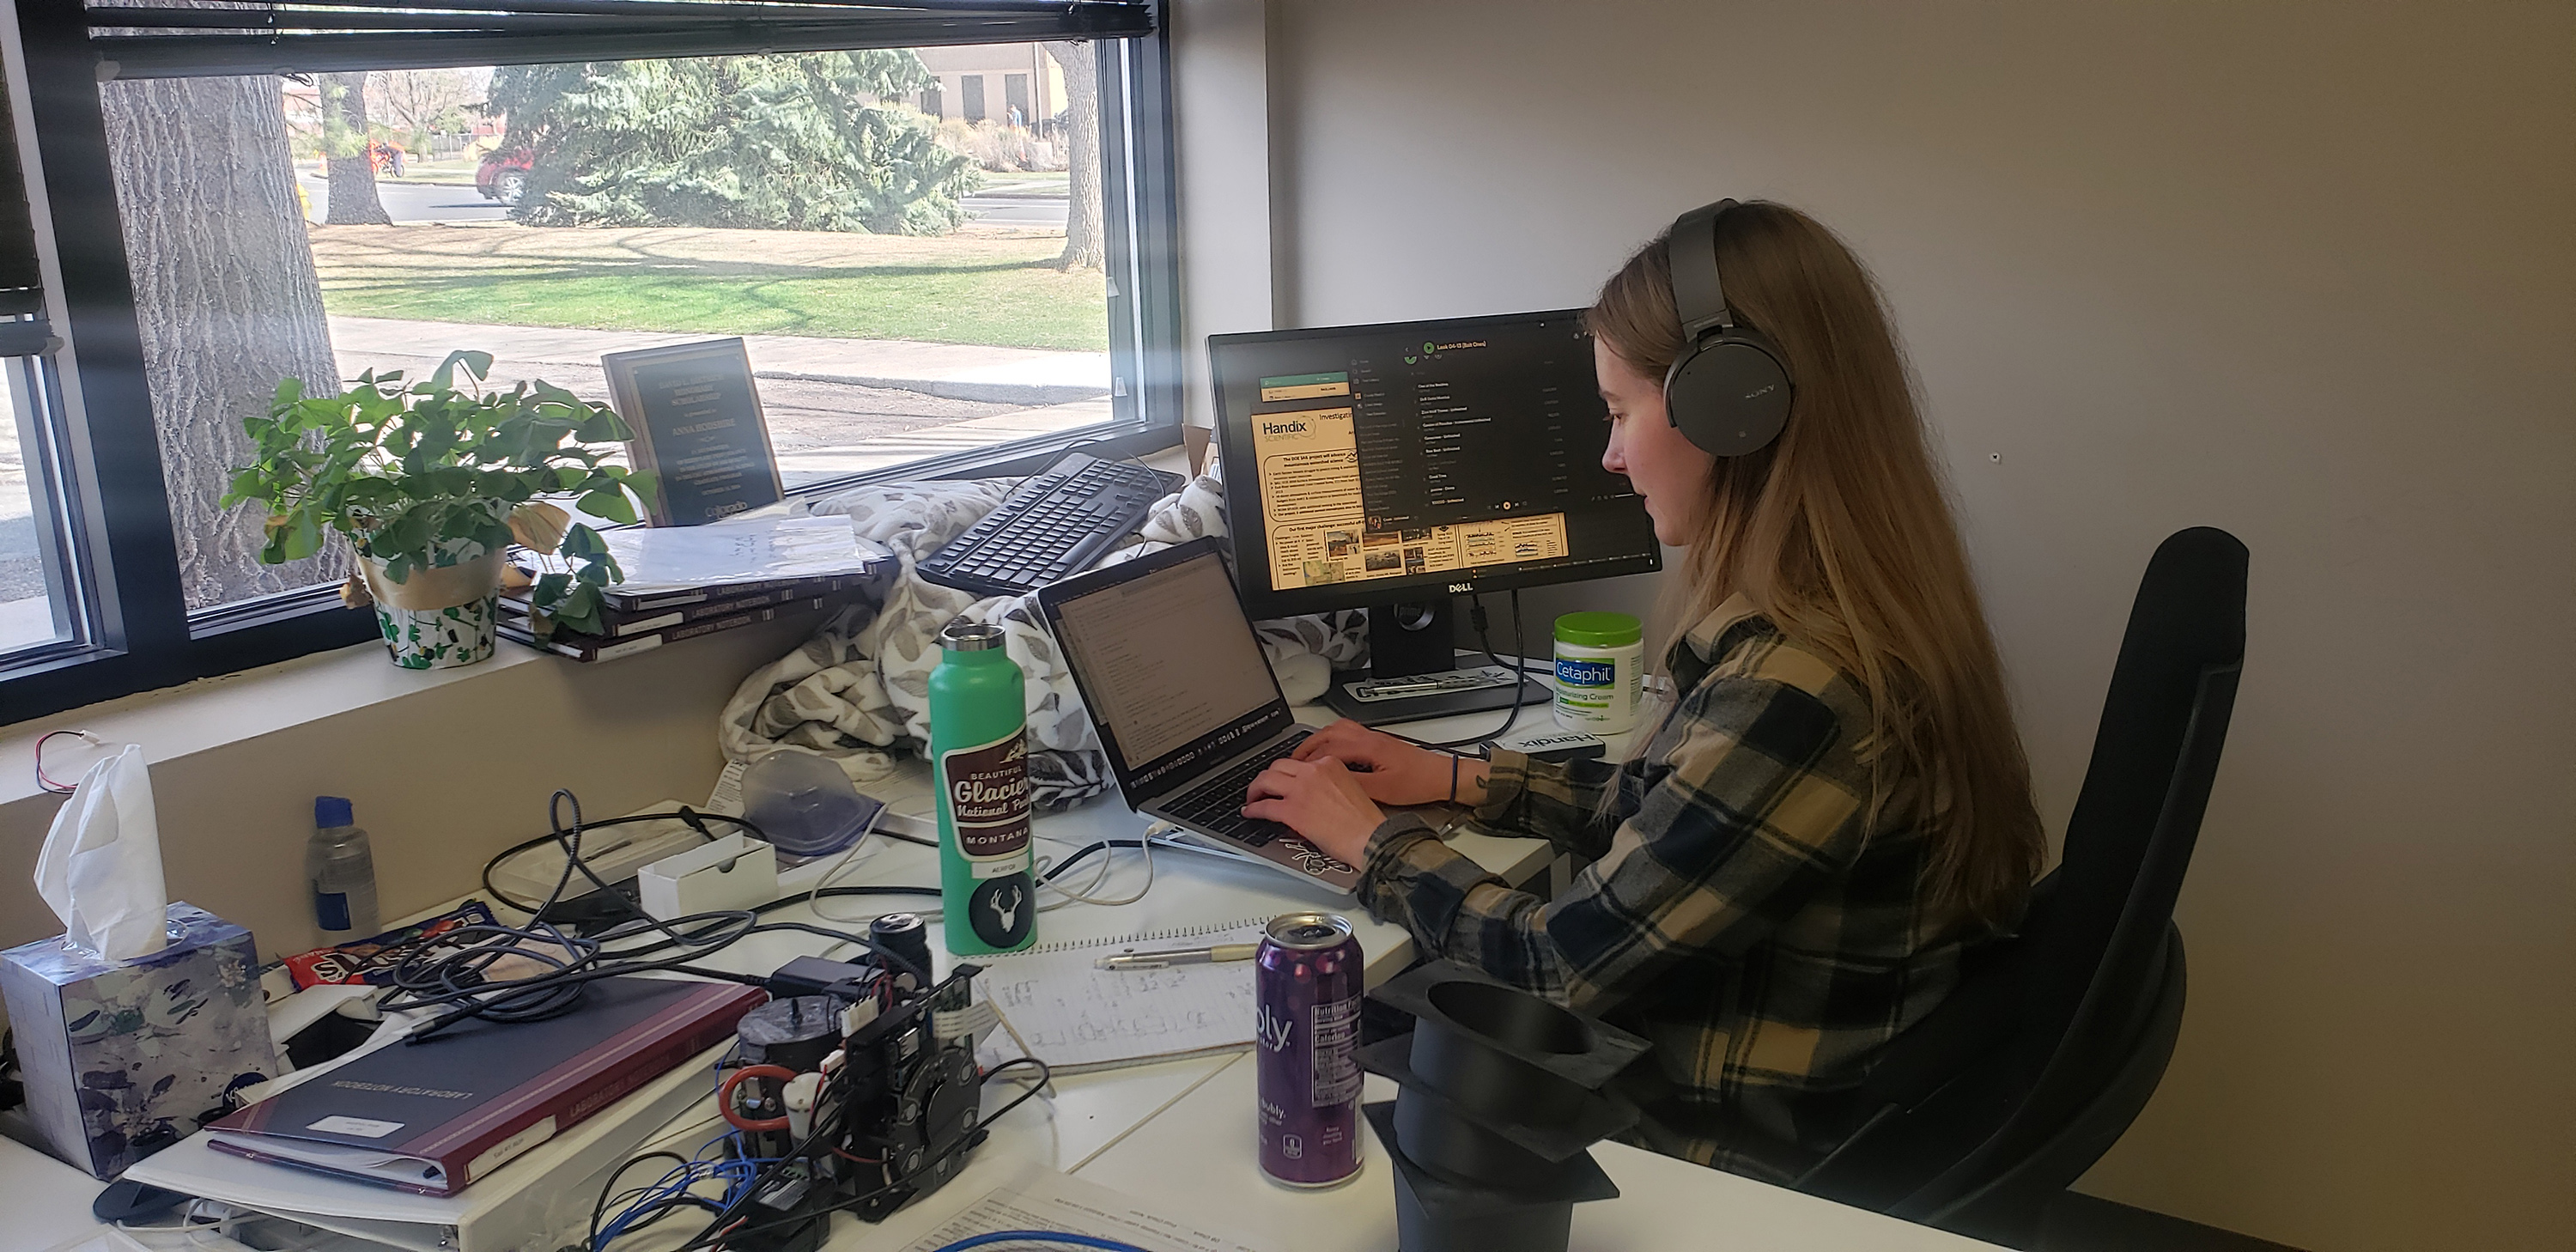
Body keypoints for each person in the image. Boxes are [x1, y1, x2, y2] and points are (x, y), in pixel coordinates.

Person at [1242, 199, 2045, 1179]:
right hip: (1763, 1085)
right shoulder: (1854, 623)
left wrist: (1370, 841)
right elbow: (1687, 822)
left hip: (1709, 1152)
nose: (1611, 457)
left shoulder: (1802, 694)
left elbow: (1556, 968)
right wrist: (1454, 780)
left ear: (1733, 406)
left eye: (1621, 414)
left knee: (1307, 1089)